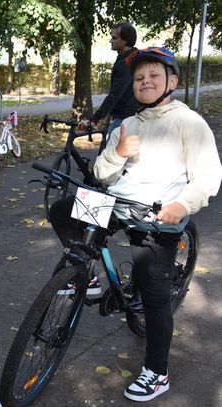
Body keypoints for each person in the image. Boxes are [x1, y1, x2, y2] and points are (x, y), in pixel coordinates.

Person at [49, 47, 222, 402]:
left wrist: (182, 205)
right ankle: (89, 279)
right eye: (139, 77)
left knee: (154, 297)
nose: (145, 82)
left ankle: (157, 373)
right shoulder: (127, 125)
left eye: (154, 76)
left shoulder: (189, 123)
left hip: (157, 218)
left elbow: (208, 176)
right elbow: (102, 174)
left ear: (172, 82)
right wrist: (118, 152)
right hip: (118, 204)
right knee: (63, 211)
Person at [82, 22, 139, 135]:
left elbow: (115, 95)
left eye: (114, 38)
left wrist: (94, 119)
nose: (110, 41)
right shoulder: (129, 57)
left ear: (125, 40)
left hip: (125, 117)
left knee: (111, 146)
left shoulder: (127, 62)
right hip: (125, 115)